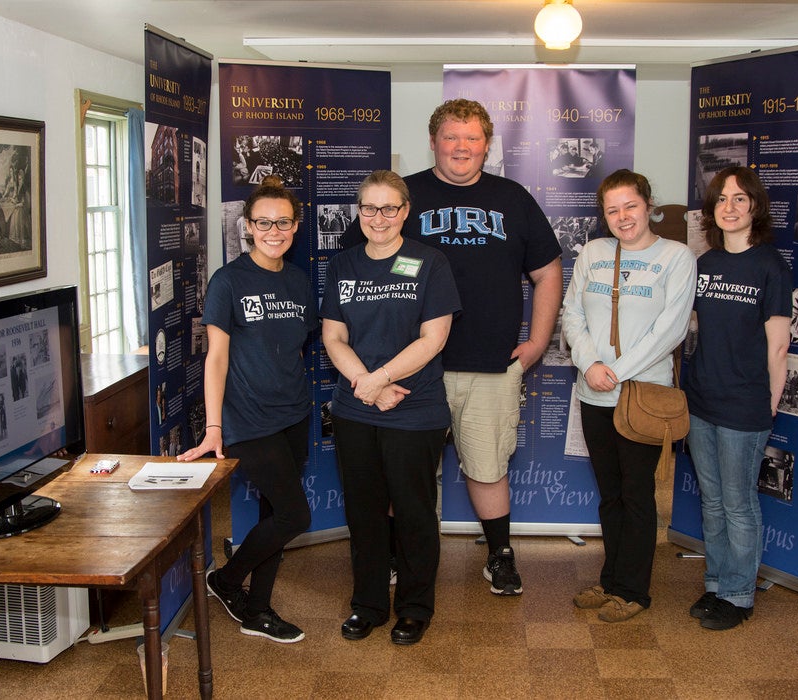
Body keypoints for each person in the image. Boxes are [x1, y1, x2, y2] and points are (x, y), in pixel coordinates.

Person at [342, 98, 563, 597]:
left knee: (487, 466)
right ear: (434, 141)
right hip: (410, 368)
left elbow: (548, 272)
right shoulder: (404, 196)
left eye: (472, 138)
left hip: (488, 363)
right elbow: (356, 269)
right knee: (405, 474)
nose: (461, 147)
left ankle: (499, 556)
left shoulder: (513, 198)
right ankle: (400, 555)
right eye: (451, 136)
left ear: (487, 145)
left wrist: (538, 341)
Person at [323, 169, 460, 645]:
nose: (378, 218)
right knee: (364, 513)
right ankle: (369, 604)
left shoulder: (430, 262)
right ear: (358, 212)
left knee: (414, 511)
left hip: (415, 410)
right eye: (368, 208)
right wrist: (367, 384)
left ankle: (415, 607)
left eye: (388, 208)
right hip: (356, 408)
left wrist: (381, 378)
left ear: (404, 211)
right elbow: (333, 336)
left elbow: (434, 338)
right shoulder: (342, 266)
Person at [177, 175, 316, 644]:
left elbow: (295, 348)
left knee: (274, 513)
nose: (273, 231)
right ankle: (228, 580)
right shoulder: (228, 281)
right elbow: (215, 358)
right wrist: (214, 426)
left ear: (295, 226)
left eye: (283, 222)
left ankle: (258, 609)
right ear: (248, 227)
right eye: (263, 222)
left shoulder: (298, 280)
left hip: (294, 414)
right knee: (295, 516)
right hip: (247, 419)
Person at [562, 169, 696, 623]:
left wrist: (615, 371)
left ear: (648, 204)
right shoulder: (595, 253)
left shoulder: (676, 257)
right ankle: (612, 580)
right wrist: (590, 365)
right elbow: (572, 313)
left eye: (630, 206)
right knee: (610, 495)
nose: (622, 217)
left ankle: (634, 591)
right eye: (612, 209)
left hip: (642, 395)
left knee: (638, 495)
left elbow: (670, 329)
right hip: (593, 393)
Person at [682, 166, 791, 631]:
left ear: (755, 208)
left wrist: (772, 400)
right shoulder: (704, 266)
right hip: (702, 399)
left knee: (739, 503)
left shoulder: (770, 266)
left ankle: (739, 594)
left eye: (740, 199)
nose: (729, 207)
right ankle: (716, 584)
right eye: (722, 199)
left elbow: (779, 344)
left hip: (745, 404)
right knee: (711, 500)